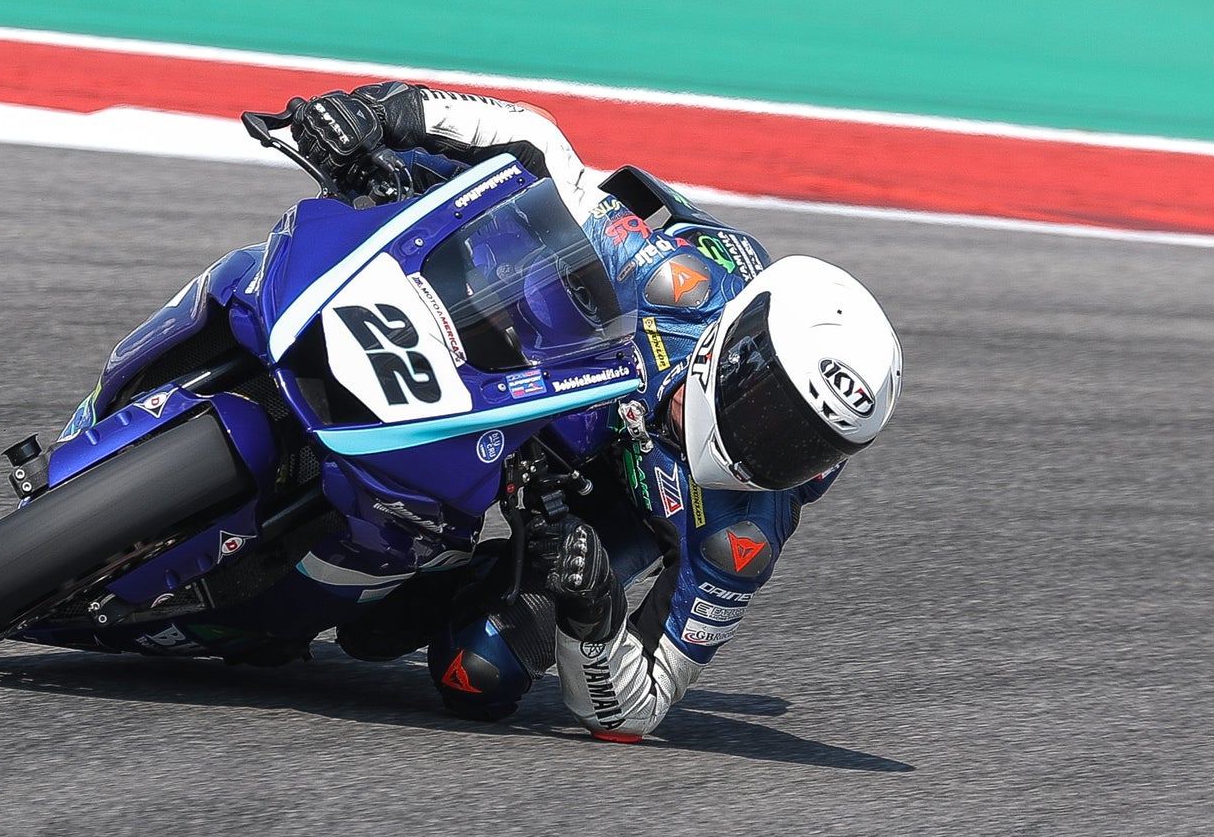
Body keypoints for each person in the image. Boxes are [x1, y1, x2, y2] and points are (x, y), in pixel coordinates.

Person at [290, 83, 903, 742]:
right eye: (768, 408)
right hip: (563, 346)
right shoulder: (673, 283)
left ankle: (445, 566)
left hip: (605, 499)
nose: (770, 450)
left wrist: (596, 610)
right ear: (735, 346)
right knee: (453, 192)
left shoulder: (741, 536)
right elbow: (540, 146)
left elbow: (638, 708)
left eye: (805, 446)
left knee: (477, 673)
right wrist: (388, 113)